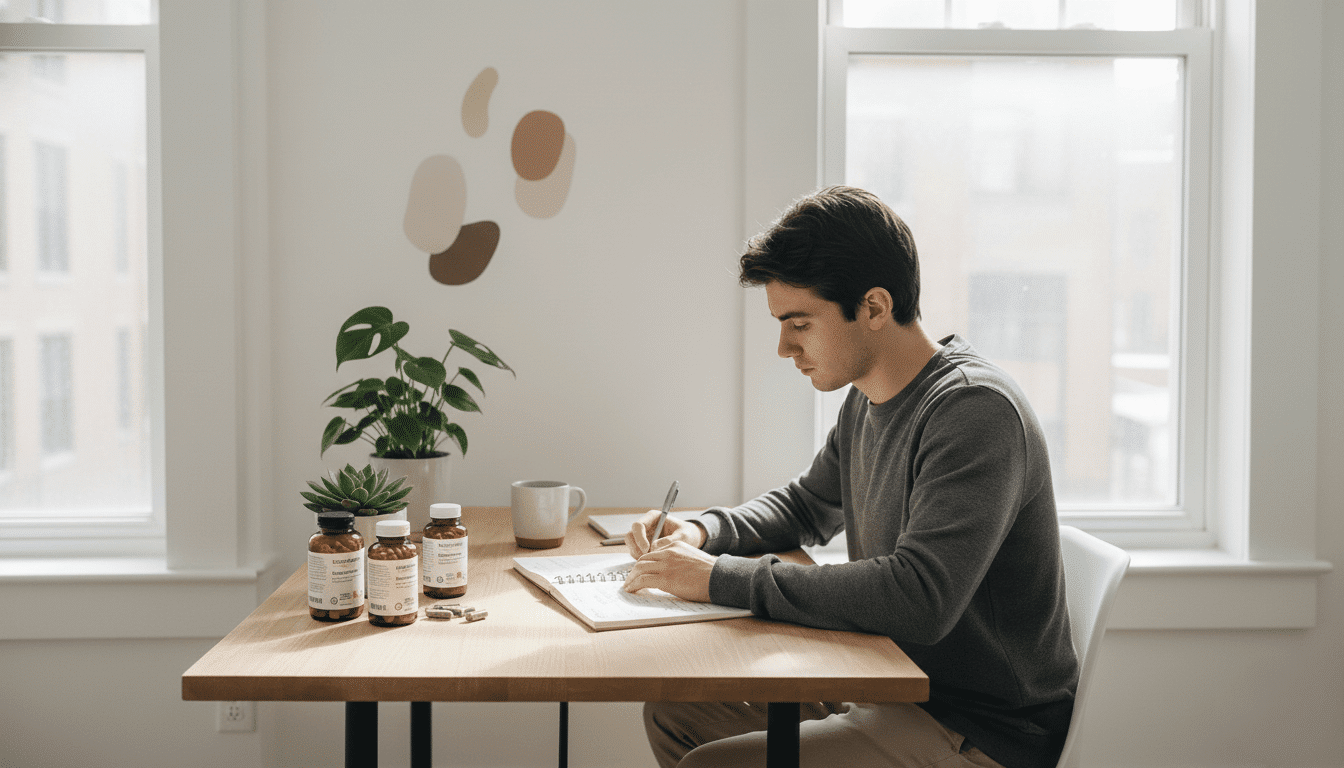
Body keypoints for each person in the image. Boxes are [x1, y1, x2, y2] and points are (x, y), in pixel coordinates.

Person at [622, 186, 1077, 768]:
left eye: (799, 323)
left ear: (875, 308)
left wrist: (718, 579)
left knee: (712, 766)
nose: (783, 347)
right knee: (674, 713)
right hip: (889, 680)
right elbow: (806, 506)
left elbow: (920, 597)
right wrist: (703, 532)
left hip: (976, 729)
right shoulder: (867, 400)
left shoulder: (974, 412)